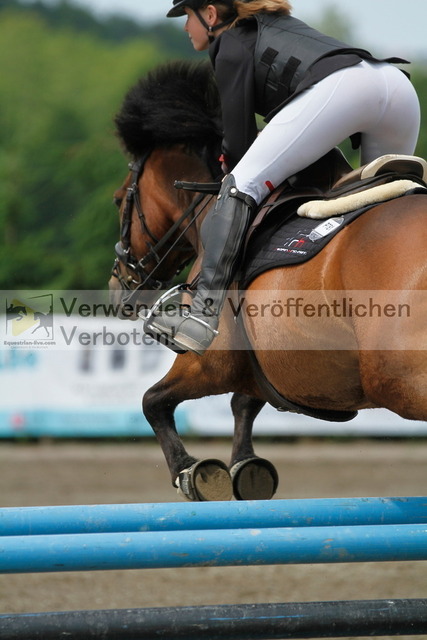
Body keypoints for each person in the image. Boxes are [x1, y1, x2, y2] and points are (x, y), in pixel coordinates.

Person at [148, 0, 421, 355]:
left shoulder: (230, 43)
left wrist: (232, 171)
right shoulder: (272, 25)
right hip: (397, 89)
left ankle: (200, 315)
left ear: (211, 14)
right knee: (385, 213)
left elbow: (238, 145)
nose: (186, 27)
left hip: (347, 89)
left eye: (187, 16)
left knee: (240, 185)